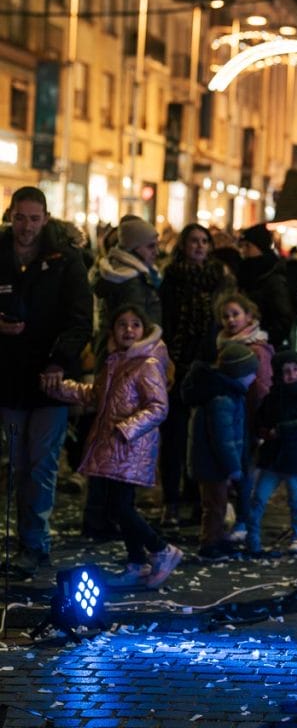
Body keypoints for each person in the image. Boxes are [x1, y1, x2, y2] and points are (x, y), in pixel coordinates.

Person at [40, 304, 182, 589]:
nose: (128, 330)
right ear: (113, 331)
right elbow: (95, 395)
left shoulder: (147, 363)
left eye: (135, 325)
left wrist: (126, 428)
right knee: (119, 506)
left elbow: (158, 407)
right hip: (112, 446)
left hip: (130, 446)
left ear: (144, 330)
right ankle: (136, 562)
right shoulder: (115, 362)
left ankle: (161, 549)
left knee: (120, 507)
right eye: (122, 324)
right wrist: (59, 388)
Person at [0, 186, 93, 575]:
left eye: (34, 219)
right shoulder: (1, 254)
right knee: (17, 464)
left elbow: (80, 319)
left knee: (41, 464)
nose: (26, 227)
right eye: (20, 218)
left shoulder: (64, 260)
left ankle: (34, 542)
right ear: (11, 215)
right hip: (8, 376)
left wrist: (59, 361)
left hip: (49, 379)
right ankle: (25, 537)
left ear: (46, 219)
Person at [85, 216, 164, 539]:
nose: (156, 250)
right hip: (128, 368)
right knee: (119, 440)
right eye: (150, 244)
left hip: (116, 364)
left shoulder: (117, 273)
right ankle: (111, 516)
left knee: (108, 438)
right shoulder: (132, 281)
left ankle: (102, 515)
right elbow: (135, 326)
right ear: (134, 247)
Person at [159, 222, 232, 527]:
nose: (200, 246)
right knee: (174, 435)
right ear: (183, 245)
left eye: (205, 241)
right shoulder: (171, 278)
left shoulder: (219, 278)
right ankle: (171, 500)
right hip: (176, 363)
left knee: (199, 435)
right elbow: (164, 318)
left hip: (207, 364)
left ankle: (194, 498)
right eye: (194, 241)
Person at [181, 340, 259, 561]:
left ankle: (218, 538)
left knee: (219, 503)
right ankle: (209, 544)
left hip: (213, 464)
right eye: (251, 373)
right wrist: (233, 467)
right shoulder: (223, 399)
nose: (254, 378)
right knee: (214, 506)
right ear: (238, 373)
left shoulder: (226, 393)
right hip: (212, 465)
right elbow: (224, 439)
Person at [211, 290, 274, 543]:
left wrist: (260, 420)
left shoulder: (257, 348)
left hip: (248, 416)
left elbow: (262, 386)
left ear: (249, 316)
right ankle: (232, 517)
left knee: (244, 471)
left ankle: (244, 521)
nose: (230, 320)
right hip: (232, 415)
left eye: (235, 314)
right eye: (226, 316)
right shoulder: (223, 344)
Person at [247, 349, 297, 556]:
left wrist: (281, 430)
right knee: (258, 498)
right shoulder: (273, 397)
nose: (292, 375)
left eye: (295, 369)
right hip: (272, 458)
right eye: (286, 371)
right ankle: (253, 539)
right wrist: (263, 431)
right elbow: (260, 420)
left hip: (294, 458)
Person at [237, 223, 292, 350]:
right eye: (242, 246)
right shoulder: (244, 272)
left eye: (248, 246)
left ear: (260, 246)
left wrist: (264, 337)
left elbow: (284, 318)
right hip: (245, 342)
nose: (243, 250)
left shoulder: (272, 277)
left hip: (266, 346)